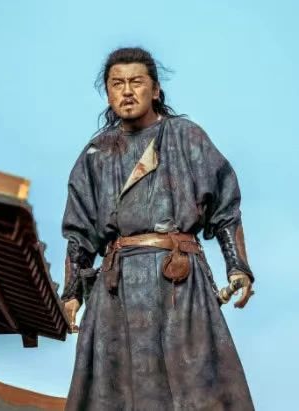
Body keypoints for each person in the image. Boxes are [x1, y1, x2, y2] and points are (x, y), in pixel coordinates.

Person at [60, 47, 255, 411]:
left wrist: (237, 267)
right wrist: (72, 294)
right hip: (117, 291)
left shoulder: (185, 137)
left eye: (136, 82)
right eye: (117, 84)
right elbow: (79, 235)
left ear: (155, 89)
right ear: (108, 92)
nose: (127, 91)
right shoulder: (96, 154)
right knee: (113, 396)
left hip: (179, 284)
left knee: (200, 389)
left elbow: (225, 208)